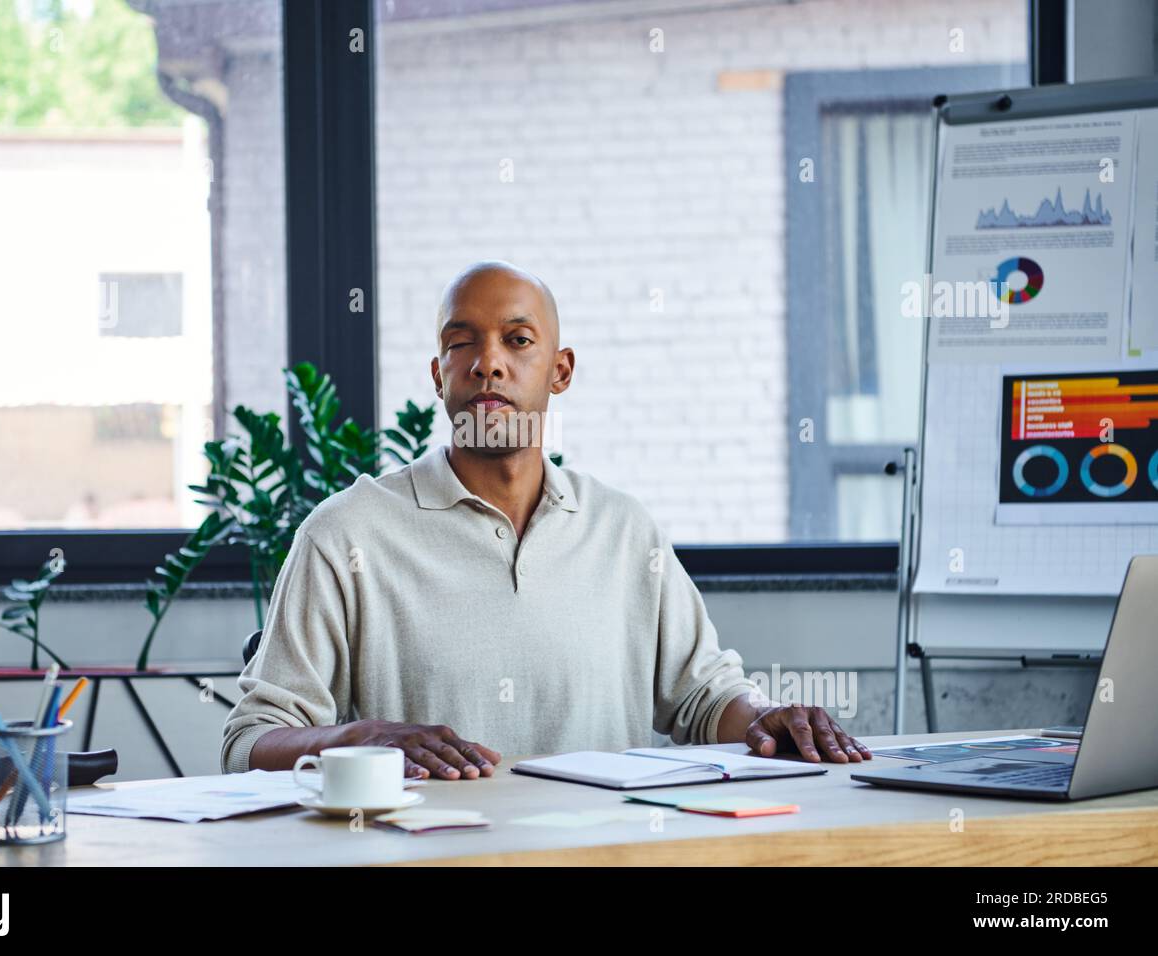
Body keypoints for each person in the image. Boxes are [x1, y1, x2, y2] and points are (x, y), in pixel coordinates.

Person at [221, 260, 871, 779]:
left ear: (560, 371)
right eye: (461, 342)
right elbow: (249, 741)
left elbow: (703, 698)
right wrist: (355, 739)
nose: (489, 362)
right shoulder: (346, 535)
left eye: (518, 340)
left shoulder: (624, 531)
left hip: (604, 856)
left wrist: (764, 716)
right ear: (438, 375)